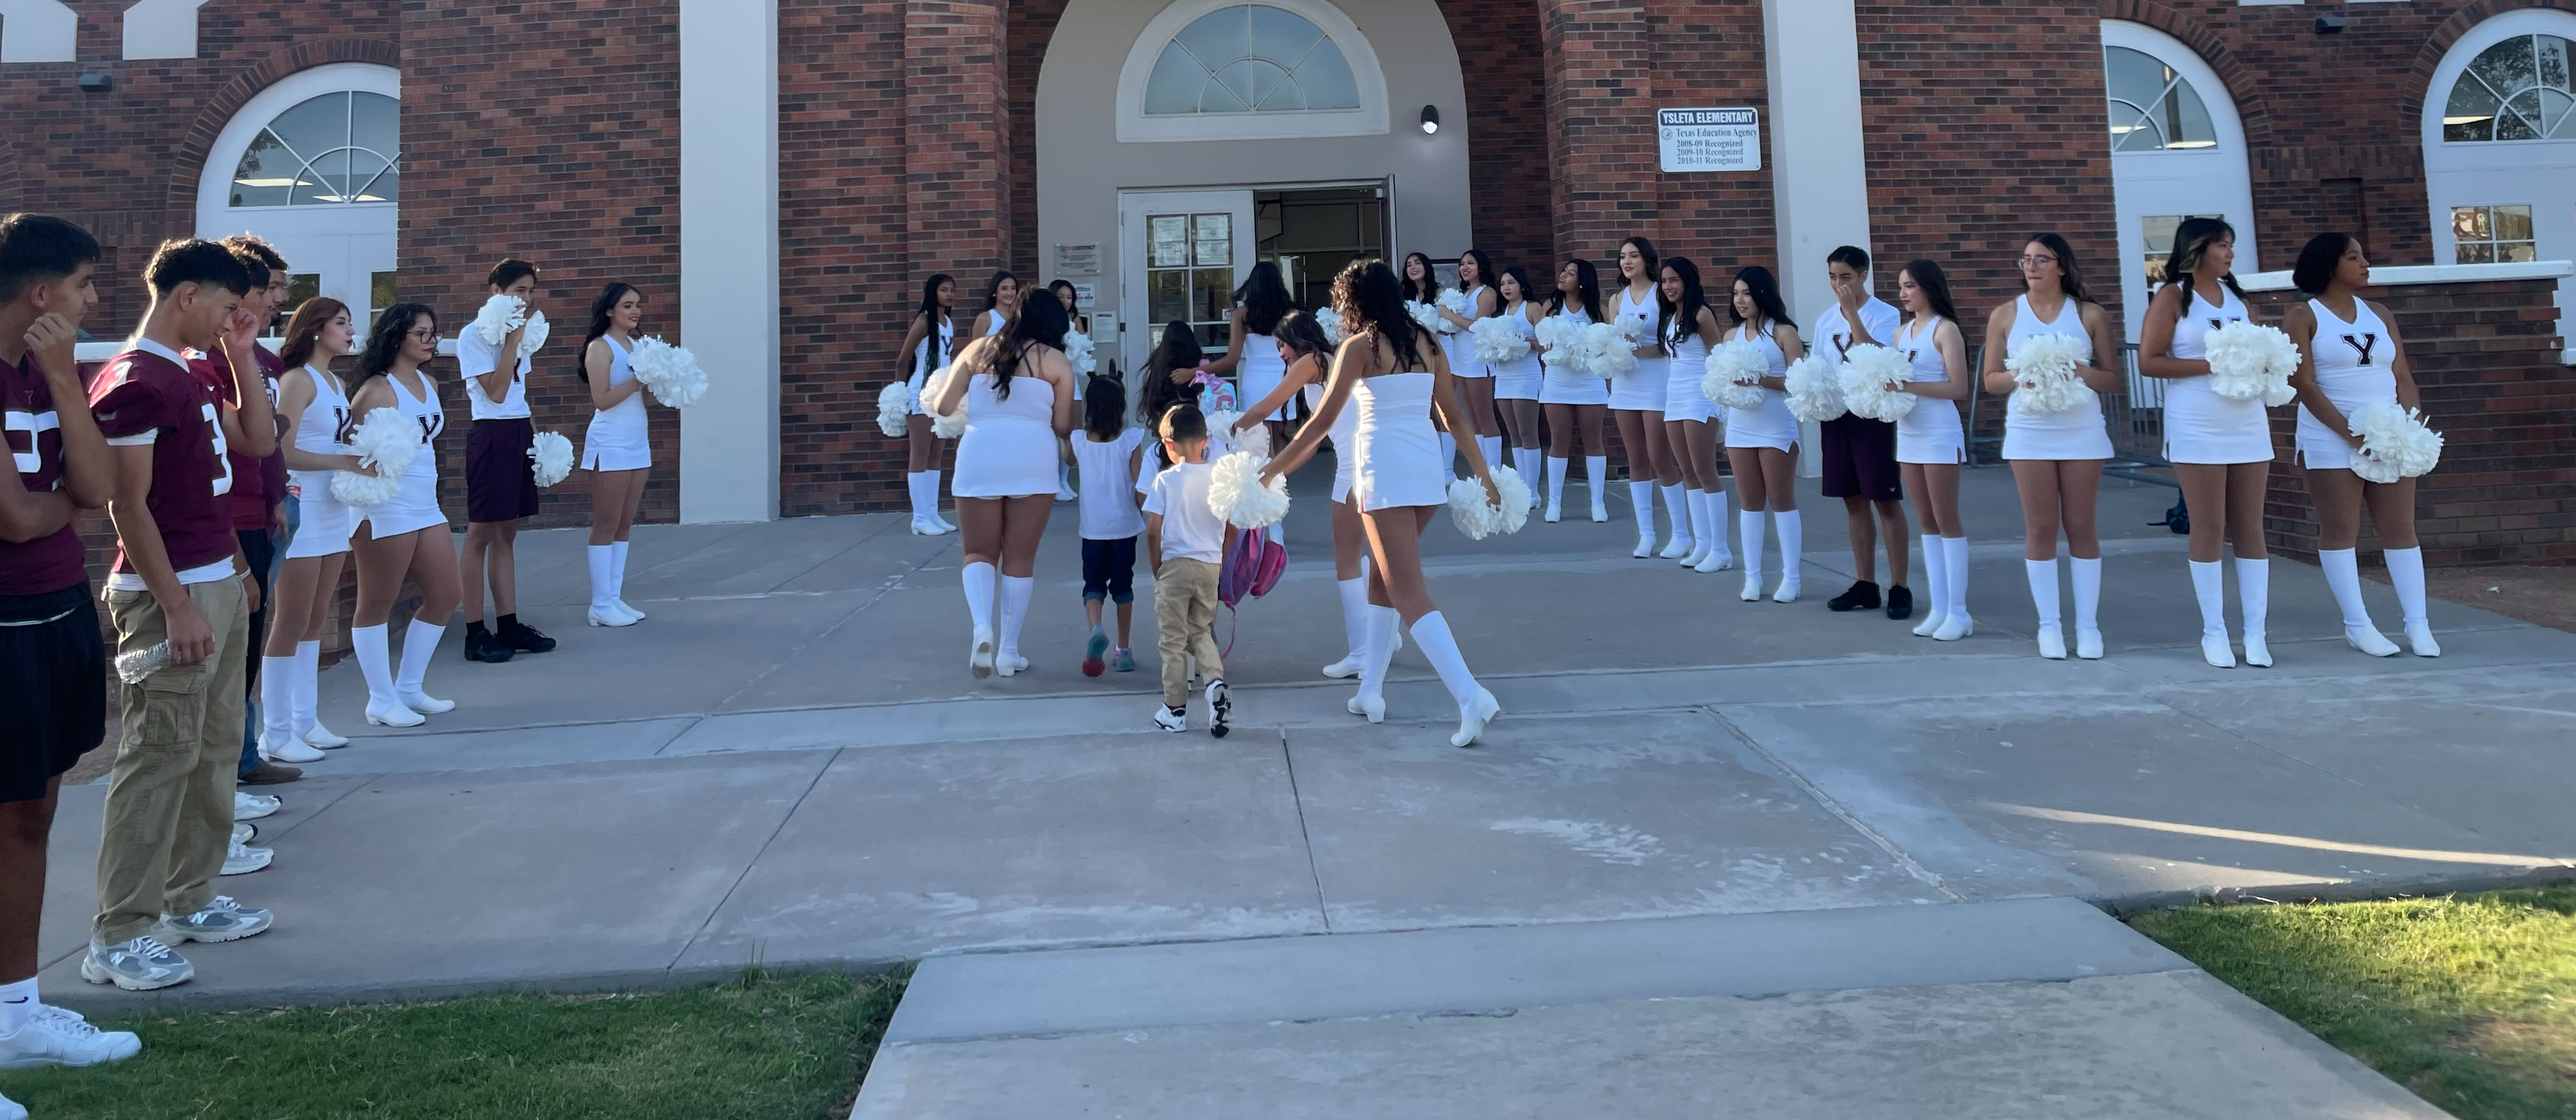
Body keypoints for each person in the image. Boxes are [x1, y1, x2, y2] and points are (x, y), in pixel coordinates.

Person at [83, 238, 279, 992]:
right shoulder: (137, 379)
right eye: (230, 308)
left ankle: (188, 895)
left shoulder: (194, 370)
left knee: (214, 742)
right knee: (158, 754)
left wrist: (232, 568)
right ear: (188, 295)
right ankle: (121, 930)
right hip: (169, 592)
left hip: (213, 580)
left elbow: (254, 446)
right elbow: (127, 505)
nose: (239, 320)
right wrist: (176, 602)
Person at [0, 212, 143, 1070]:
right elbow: (18, 519)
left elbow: (94, 486)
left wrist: (60, 380)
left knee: (32, 814)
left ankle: (16, 1015)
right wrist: (55, 510)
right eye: (87, 286)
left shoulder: (42, 373)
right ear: (43, 291)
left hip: (57, 610)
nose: (93, 304)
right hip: (5, 621)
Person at [1264, 259, 1505, 748]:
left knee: (1408, 591)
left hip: (1384, 473)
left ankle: (1469, 694)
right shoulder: (1429, 342)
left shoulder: (1357, 347)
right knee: (1381, 579)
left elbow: (1320, 423)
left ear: (1354, 302)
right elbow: (1455, 419)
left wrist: (1273, 469)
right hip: (1425, 469)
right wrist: (1483, 476)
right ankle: (1370, 690)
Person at [2284, 233, 2438, 659]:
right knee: (2340, 530)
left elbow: (2402, 375)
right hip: (2330, 437)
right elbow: (2304, 384)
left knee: (2401, 529)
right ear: (2330, 266)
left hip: (2388, 433)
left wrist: (2410, 425)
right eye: (2354, 257)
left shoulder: (2381, 313)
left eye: (2363, 256)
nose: (2365, 263)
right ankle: (2358, 624)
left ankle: (2418, 623)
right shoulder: (2303, 315)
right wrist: (2350, 434)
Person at [192, 238, 310, 788]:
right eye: (270, 288)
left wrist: (276, 494)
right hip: (227, 521)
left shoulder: (262, 358)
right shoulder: (211, 360)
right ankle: (227, 775)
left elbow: (265, 442)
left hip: (264, 510)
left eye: (277, 288)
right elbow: (230, 445)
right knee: (229, 656)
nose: (277, 300)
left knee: (249, 644)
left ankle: (242, 758)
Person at [2140, 217, 2273, 668]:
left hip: (2248, 420)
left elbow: (2260, 352)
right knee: (2209, 525)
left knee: (2251, 526)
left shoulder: (2241, 299)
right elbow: (2150, 361)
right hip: (2197, 420)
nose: (2230, 253)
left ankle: (2256, 633)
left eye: (2232, 245)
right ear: (2197, 248)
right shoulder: (2172, 297)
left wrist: (2263, 367)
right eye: (2222, 245)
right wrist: (2214, 365)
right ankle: (2214, 631)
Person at [1981, 233, 2121, 661]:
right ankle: (2049, 627)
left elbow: (2113, 379)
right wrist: (2020, 376)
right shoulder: (2005, 315)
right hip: (2029, 430)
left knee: (2081, 525)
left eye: (2042, 259)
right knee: (2041, 527)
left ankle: (2088, 626)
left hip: (2081, 430)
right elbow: (1990, 381)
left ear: (2061, 266)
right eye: (2025, 260)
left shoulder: (2089, 314)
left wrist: (2077, 371)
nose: (2032, 267)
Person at [1234, 309, 1390, 679]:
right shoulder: (1329, 360)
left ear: (1296, 340)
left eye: (1281, 346)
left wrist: (1230, 426)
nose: (1280, 355)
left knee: (1347, 561)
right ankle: (1381, 632)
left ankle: (1362, 651)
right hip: (1363, 462)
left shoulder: (1310, 362)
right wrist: (1278, 474)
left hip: (1355, 469)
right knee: (1371, 552)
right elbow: (1313, 436)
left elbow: (1266, 407)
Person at [932, 280, 1077, 679]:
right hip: (1033, 458)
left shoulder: (979, 350)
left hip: (980, 454)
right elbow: (1063, 424)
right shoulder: (1056, 362)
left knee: (978, 552)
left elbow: (944, 406)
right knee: (1019, 557)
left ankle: (982, 628)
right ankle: (1009, 652)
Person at [256, 298, 372, 762]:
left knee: (315, 619)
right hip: (301, 502)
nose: (350, 331)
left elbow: (335, 441)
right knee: (291, 618)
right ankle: (275, 731)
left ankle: (305, 719)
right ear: (316, 329)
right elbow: (281, 451)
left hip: (333, 505)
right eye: (341, 323)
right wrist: (344, 460)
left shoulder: (337, 382)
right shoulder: (297, 380)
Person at [346, 303, 462, 725]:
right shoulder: (377, 389)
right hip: (385, 506)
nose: (431, 340)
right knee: (377, 601)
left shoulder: (429, 382)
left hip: (425, 503)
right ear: (397, 337)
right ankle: (380, 698)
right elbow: (352, 451)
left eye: (434, 332)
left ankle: (409, 688)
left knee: (447, 593)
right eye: (422, 333)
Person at [456, 258, 558, 663]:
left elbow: (517, 394)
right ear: (495, 291)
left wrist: (536, 442)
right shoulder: (473, 336)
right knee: (480, 534)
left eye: (531, 292)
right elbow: (496, 393)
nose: (526, 299)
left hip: (518, 432)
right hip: (491, 435)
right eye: (519, 290)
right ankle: (474, 631)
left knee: (507, 534)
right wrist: (512, 343)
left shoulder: (522, 336)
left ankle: (509, 623)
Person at [1813, 246, 1910, 618]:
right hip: (1838, 415)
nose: (1839, 285)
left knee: (1885, 499)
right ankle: (1865, 583)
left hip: (1873, 415)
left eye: (1846, 277)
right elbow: (1821, 365)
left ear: (1863, 275)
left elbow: (1877, 355)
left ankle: (1900, 586)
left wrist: (1852, 313)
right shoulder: (1825, 320)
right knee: (1852, 499)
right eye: (1833, 277)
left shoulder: (1886, 314)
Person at [1891, 260, 1973, 640]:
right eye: (1901, 286)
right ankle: (1939, 607)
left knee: (1947, 519)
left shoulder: (1946, 330)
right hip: (1909, 432)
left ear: (1928, 287)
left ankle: (1959, 611)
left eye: (1910, 285)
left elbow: (1959, 388)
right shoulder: (1901, 333)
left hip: (1939, 431)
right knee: (1925, 520)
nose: (1904, 293)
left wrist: (1907, 389)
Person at [1142, 403, 1233, 736]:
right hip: (1209, 566)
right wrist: (1219, 555)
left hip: (1175, 565)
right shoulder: (1220, 480)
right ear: (1205, 441)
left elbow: (1153, 530)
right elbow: (1233, 525)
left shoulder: (1165, 481)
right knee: (1201, 630)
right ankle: (1214, 684)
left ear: (1167, 444)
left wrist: (1156, 564)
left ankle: (1175, 710)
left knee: (1173, 640)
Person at [1724, 266, 1807, 602]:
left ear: (1762, 294)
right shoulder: (1730, 337)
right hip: (1740, 426)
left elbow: (1799, 381)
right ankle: (1752, 577)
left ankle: (1792, 577)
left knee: (1781, 500)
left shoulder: (1783, 333)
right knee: (1749, 503)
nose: (1740, 300)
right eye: (1736, 293)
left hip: (1776, 425)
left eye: (1746, 293)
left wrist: (1759, 379)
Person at [578, 283, 655, 627]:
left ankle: (613, 598)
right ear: (609, 310)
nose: (635, 311)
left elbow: (642, 395)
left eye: (637, 305)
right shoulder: (600, 347)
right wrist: (639, 379)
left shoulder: (638, 346)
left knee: (625, 523)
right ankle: (599, 604)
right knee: (605, 524)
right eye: (627, 305)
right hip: (610, 443)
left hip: (638, 440)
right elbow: (603, 400)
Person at [1609, 236, 1683, 559]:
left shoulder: (1660, 294)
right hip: (1626, 384)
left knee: (1661, 458)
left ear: (1647, 260)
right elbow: (1611, 341)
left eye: (1634, 256)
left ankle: (1681, 533)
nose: (1627, 262)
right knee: (1635, 460)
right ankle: (1646, 534)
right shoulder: (1616, 299)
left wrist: (1636, 349)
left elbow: (1670, 345)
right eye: (1623, 257)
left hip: (1656, 382)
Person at [1657, 257, 1733, 573]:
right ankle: (1701, 543)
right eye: (1664, 282)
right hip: (1674, 396)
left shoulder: (1701, 315)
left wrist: (1721, 402)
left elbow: (1718, 359)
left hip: (1699, 397)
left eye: (1674, 280)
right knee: (1686, 471)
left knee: (1705, 472)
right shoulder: (1670, 316)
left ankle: (1721, 549)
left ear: (1688, 280)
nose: (1669, 287)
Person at [1073, 374, 1146, 676]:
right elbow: (1139, 485)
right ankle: (1124, 649)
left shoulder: (1079, 442)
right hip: (1124, 527)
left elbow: (1065, 454)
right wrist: (1151, 516)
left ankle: (1096, 630)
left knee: (1093, 585)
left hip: (1092, 528)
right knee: (1123, 586)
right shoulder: (1130, 440)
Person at [1538, 257, 1609, 523]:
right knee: (1559, 442)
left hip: (1589, 382)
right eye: (1564, 271)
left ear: (1582, 281)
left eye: (1570, 273)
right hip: (1557, 382)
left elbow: (1607, 346)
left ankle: (1598, 502)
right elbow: (1545, 344)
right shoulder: (1551, 307)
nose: (1563, 276)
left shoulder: (1598, 312)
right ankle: (1554, 503)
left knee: (1594, 441)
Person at [1200, 261, 1296, 452]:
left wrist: (1194, 371)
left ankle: (1263, 480)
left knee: (1259, 445)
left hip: (1255, 382)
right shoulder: (1291, 313)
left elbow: (1231, 360)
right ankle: (1282, 480)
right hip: (1286, 379)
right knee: (1282, 443)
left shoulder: (1241, 315)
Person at [893, 273, 958, 535]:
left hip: (942, 391)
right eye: (944, 290)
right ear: (933, 292)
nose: (950, 294)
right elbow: (902, 360)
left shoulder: (948, 321)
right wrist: (898, 391)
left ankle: (932, 513)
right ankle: (919, 517)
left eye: (952, 290)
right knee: (919, 454)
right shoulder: (924, 320)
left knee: (936, 454)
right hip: (921, 391)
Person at [1436, 249, 1503, 474]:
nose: (1465, 268)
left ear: (1481, 267)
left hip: (1478, 361)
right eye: (1462, 264)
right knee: (1471, 418)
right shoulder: (1464, 294)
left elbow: (1478, 325)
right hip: (1460, 359)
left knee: (1485, 417)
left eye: (1470, 264)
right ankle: (1481, 469)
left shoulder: (1487, 293)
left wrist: (1448, 316)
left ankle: (1494, 472)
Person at [1489, 265, 1546, 501]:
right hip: (1504, 377)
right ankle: (1522, 488)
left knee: (1528, 433)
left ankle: (1533, 492)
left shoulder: (1532, 308)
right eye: (1503, 284)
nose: (1506, 288)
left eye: (1511, 283)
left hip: (1526, 376)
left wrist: (1523, 341)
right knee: (1513, 434)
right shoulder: (1501, 312)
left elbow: (1545, 344)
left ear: (1521, 284)